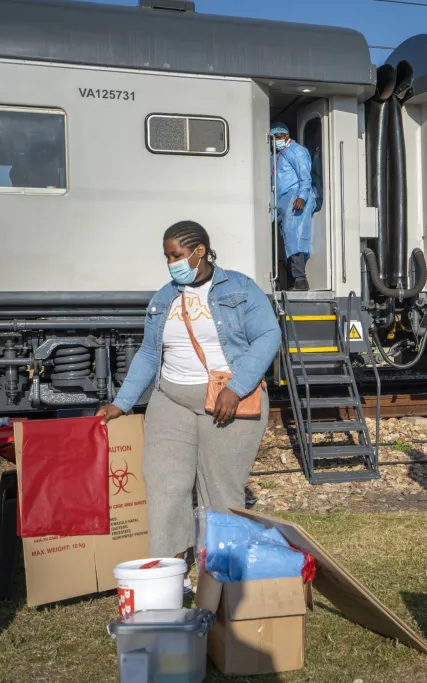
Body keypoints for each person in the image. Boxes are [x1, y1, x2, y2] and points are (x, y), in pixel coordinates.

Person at [97, 221, 281, 575]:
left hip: (229, 402)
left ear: (199, 251)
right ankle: (169, 573)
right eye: (167, 256)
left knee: (221, 491)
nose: (170, 263)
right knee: (163, 482)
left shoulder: (240, 288)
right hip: (172, 399)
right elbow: (150, 354)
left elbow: (268, 336)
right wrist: (122, 402)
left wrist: (237, 387)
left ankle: (223, 575)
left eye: (176, 255)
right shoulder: (165, 296)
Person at [271, 122, 316, 290]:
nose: (276, 140)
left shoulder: (296, 151)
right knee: (285, 239)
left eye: (279, 137)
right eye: (274, 138)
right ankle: (291, 280)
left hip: (295, 197)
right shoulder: (277, 154)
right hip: (282, 201)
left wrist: (302, 196)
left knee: (294, 237)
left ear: (287, 136)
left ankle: (300, 280)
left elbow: (305, 175)